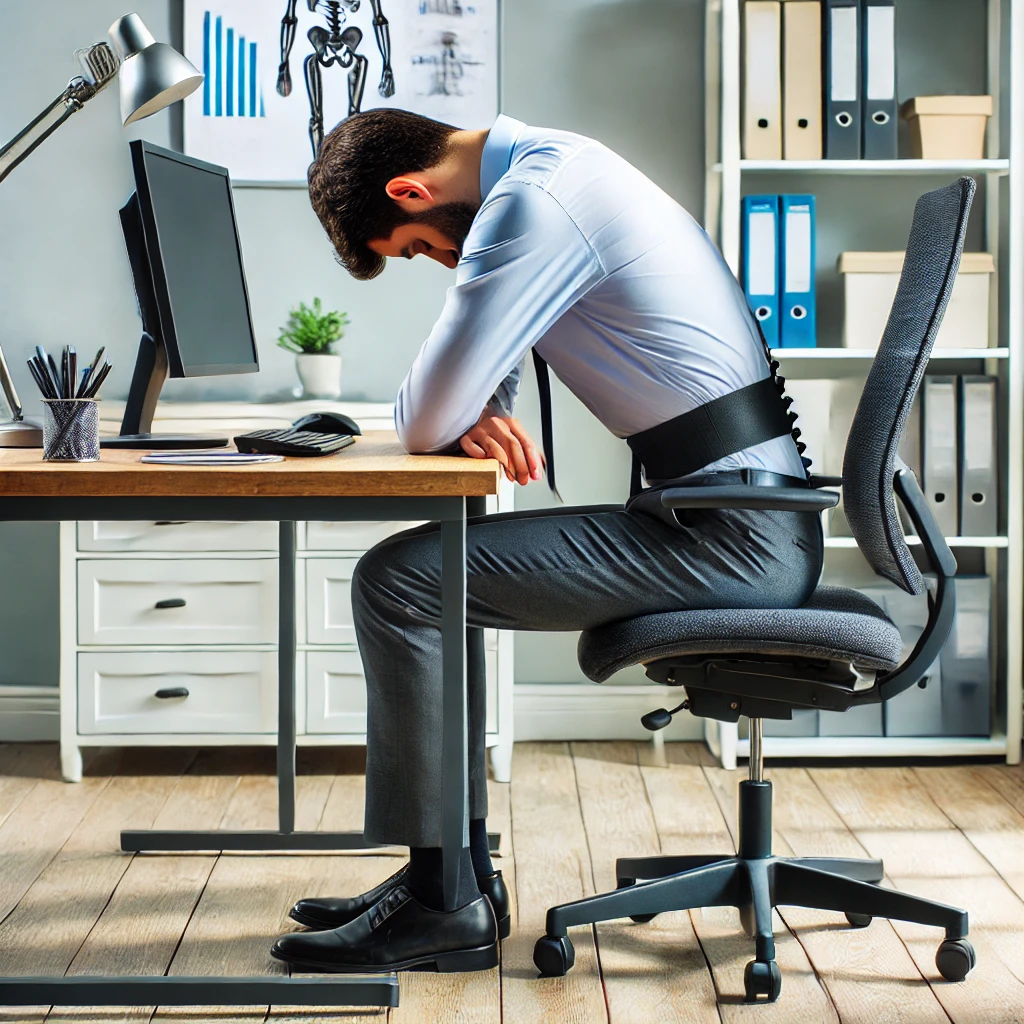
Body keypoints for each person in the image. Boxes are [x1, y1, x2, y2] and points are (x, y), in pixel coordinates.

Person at [270, 109, 823, 974]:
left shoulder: (534, 203)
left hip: (735, 539)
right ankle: (453, 879)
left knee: (401, 579)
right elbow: (481, 367)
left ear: (411, 192)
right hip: (732, 517)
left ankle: (442, 900)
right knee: (429, 571)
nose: (438, 263)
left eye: (417, 248)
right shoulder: (556, 172)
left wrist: (460, 402)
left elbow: (421, 417)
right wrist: (480, 405)